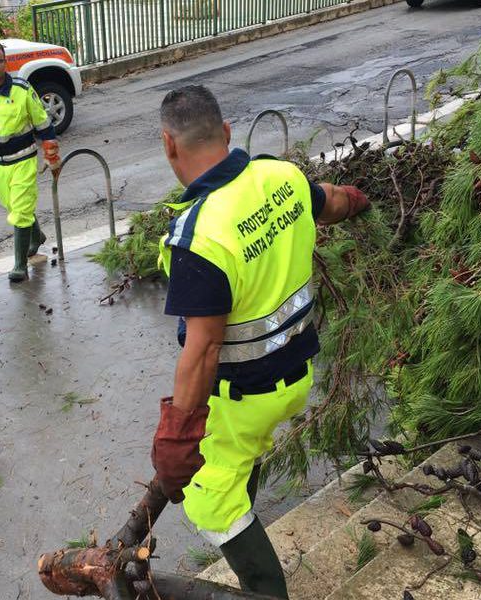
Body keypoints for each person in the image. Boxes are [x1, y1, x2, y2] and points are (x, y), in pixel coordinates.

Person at [150, 85, 370, 598]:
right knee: (240, 458)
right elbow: (333, 201)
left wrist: (177, 435)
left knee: (210, 503)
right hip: (297, 377)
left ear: (168, 145)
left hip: (243, 396)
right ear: (226, 132)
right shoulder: (281, 176)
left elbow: (202, 350)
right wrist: (361, 201)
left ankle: (267, 590)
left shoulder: (199, 235)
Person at [0, 41, 61, 283]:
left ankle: (20, 264)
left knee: (19, 211)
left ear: (4, 61)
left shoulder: (22, 89)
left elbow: (43, 124)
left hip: (23, 160)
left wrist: (51, 155)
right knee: (13, 206)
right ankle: (36, 236)